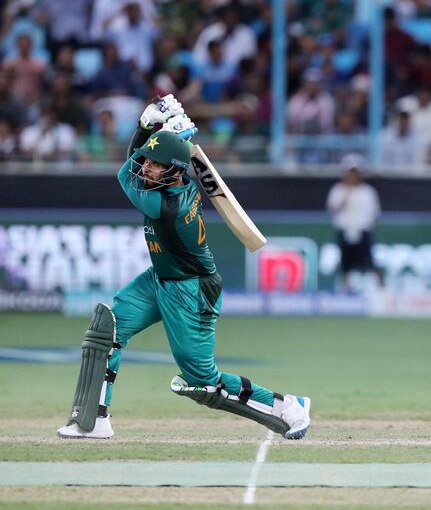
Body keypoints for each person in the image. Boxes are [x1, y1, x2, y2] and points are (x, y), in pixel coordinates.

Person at [57, 95, 311, 440]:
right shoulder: (179, 182)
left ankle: (288, 406)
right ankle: (93, 420)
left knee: (202, 383)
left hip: (191, 290)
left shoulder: (164, 205)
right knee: (108, 329)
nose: (145, 167)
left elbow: (123, 172)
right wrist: (156, 133)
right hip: (161, 276)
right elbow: (142, 162)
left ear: (175, 171)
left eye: (155, 164)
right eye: (148, 161)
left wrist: (145, 126)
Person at [326, 154, 383, 291]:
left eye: (355, 173)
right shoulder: (338, 190)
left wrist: (363, 225)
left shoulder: (368, 191)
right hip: (345, 230)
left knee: (370, 261)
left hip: (362, 230)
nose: (352, 176)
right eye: (350, 173)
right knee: (345, 263)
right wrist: (347, 193)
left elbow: (374, 213)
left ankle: (381, 289)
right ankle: (345, 290)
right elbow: (333, 209)